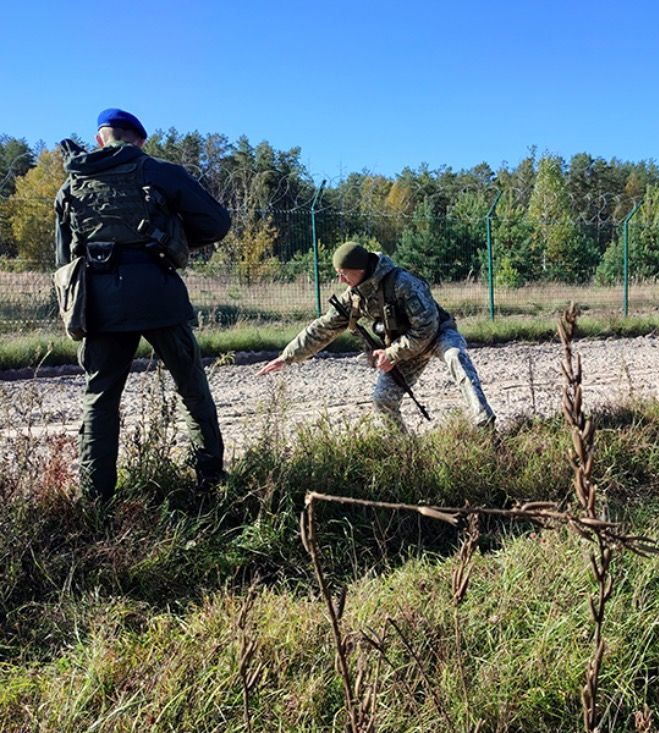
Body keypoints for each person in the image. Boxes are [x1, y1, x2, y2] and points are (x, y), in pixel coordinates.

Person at [55, 108, 231, 506]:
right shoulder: (158, 171)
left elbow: (63, 258)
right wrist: (174, 238)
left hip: (98, 303)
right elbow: (218, 223)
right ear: (137, 140)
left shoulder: (71, 185)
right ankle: (210, 482)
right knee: (191, 388)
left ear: (101, 138)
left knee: (99, 398)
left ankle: (95, 501)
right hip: (158, 292)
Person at [257, 242, 495, 432]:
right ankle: (406, 451)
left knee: (455, 356)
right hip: (403, 349)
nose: (340, 280)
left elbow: (426, 329)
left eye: (342, 274)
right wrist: (287, 356)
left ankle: (484, 422)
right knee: (383, 400)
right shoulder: (354, 296)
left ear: (358, 270)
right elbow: (323, 328)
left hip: (436, 335)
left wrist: (391, 354)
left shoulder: (403, 283)